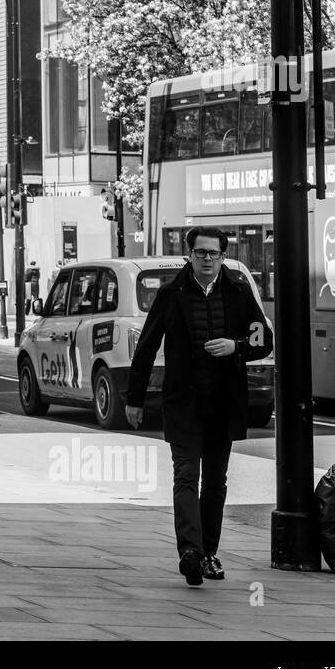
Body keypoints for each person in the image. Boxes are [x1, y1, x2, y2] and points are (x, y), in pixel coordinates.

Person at [125, 225, 273, 587]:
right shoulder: (171, 294)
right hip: (183, 403)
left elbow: (263, 341)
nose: (208, 260)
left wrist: (236, 346)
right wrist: (134, 399)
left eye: (215, 254)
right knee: (186, 476)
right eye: (202, 253)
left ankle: (209, 552)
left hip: (223, 404)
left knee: (216, 484)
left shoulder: (238, 292)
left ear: (223, 256)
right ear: (189, 255)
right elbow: (145, 348)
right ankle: (190, 552)